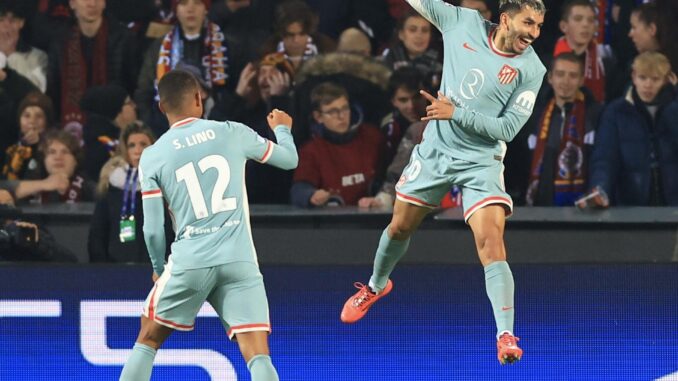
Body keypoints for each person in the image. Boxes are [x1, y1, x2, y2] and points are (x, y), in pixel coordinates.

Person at [340, 0, 547, 366]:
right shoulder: (460, 22)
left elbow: (508, 130)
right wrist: (449, 118)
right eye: (528, 22)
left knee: (491, 242)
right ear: (505, 19)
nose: (533, 33)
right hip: (436, 151)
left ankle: (505, 335)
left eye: (539, 26)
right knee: (400, 226)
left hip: (481, 161)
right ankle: (375, 286)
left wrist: (456, 113)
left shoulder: (531, 69)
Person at [118, 69, 298, 381]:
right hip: (239, 260)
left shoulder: (152, 155)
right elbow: (289, 160)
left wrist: (159, 267)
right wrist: (282, 130)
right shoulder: (231, 131)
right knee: (257, 354)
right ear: (200, 99)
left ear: (162, 108)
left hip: (191, 261)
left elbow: (152, 229)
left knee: (148, 338)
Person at [587, 51, 678, 207]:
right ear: (634, 77)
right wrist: (600, 189)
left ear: (666, 80)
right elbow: (605, 158)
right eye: (643, 78)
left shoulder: (674, 110)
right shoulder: (616, 112)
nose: (648, 85)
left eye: (655, 79)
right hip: (631, 203)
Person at [524, 52, 601, 206]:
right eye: (560, 74)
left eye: (573, 76)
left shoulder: (595, 116)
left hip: (580, 210)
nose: (566, 81)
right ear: (550, 78)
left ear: (581, 80)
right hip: (538, 207)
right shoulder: (532, 116)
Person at [290, 82, 384, 208]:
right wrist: (310, 195)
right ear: (318, 117)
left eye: (345, 108)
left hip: (375, 216)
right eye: (333, 111)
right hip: (335, 223)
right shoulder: (311, 151)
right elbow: (299, 189)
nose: (341, 116)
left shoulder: (371, 136)